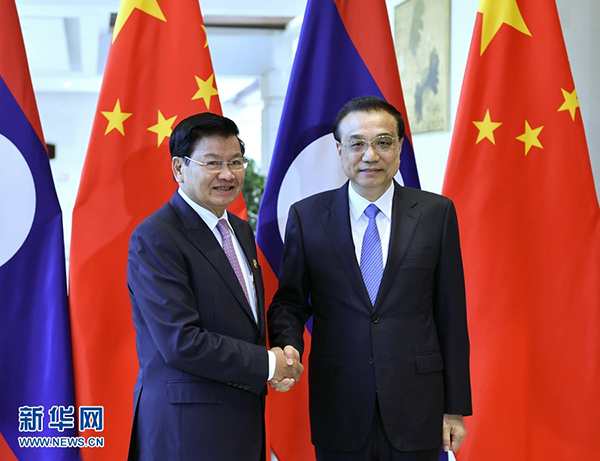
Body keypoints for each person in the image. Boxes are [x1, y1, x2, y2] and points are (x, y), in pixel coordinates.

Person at [268, 96, 472, 460]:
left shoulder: (436, 214)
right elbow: (290, 302)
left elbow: (451, 315)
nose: (370, 155)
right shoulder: (307, 217)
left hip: (418, 405)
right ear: (339, 150)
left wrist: (454, 407)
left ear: (399, 148)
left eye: (383, 142)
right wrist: (288, 345)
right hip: (339, 403)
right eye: (357, 144)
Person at [127, 112, 303, 461]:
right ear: (179, 168)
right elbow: (181, 342)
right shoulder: (156, 237)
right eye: (212, 163)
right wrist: (268, 364)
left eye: (235, 162)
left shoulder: (240, 230)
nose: (228, 174)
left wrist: (285, 351)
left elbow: (245, 318)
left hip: (242, 422)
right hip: (187, 431)